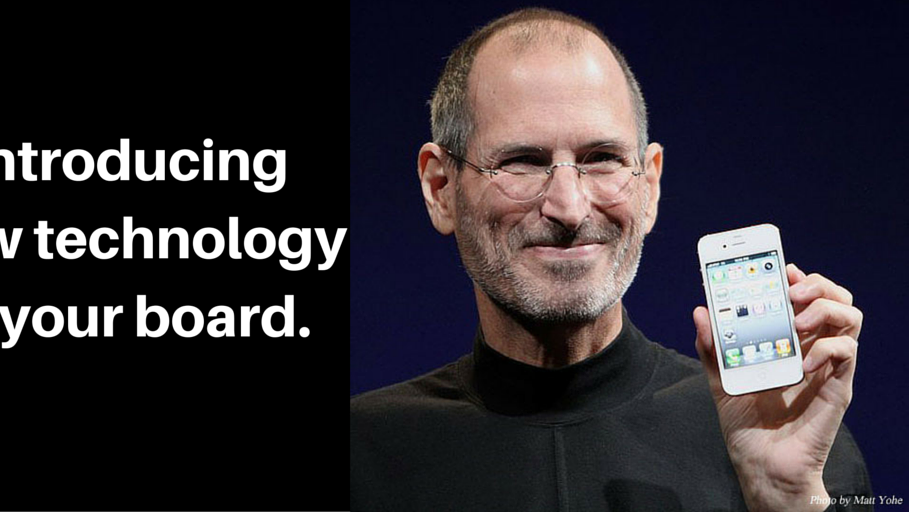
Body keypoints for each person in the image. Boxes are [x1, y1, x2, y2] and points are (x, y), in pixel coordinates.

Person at [349, 7, 871, 512]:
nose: (569, 208)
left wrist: (783, 502)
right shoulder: (362, 455)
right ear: (441, 188)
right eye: (522, 161)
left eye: (602, 159)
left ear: (650, 186)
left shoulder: (788, 436)